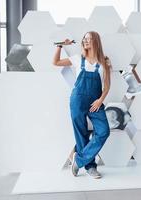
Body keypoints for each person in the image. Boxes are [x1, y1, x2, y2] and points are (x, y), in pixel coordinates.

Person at [52, 31, 111, 179]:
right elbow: (56, 62)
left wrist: (100, 100)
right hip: (77, 99)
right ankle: (90, 167)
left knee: (104, 131)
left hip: (95, 102)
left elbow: (107, 85)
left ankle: (78, 160)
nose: (85, 41)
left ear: (96, 41)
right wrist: (60, 45)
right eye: (84, 39)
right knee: (81, 132)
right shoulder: (78, 59)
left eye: (89, 39)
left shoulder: (104, 62)